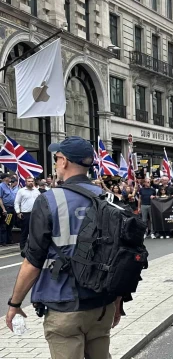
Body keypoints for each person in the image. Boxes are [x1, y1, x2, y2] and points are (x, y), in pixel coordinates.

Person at [5, 136, 121, 358]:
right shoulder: (108, 198)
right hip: (102, 304)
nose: (56, 163)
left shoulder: (49, 200)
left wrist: (15, 303)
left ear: (64, 161)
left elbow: (33, 261)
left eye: (56, 157)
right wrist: (117, 300)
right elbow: (118, 255)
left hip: (64, 303)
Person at [14, 177, 40, 256]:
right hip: (26, 214)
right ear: (25, 182)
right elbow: (16, 202)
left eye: (32, 181)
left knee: (35, 231)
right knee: (25, 231)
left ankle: (33, 247)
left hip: (35, 213)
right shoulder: (21, 191)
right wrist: (18, 212)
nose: (30, 182)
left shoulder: (36, 191)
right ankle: (22, 248)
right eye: (29, 181)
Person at [0, 173, 18, 246]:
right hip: (6, 207)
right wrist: (3, 209)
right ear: (5, 178)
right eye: (8, 177)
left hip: (11, 207)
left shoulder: (8, 186)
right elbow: (0, 198)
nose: (10, 178)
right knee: (4, 224)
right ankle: (2, 241)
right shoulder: (1, 186)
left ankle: (9, 240)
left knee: (10, 224)